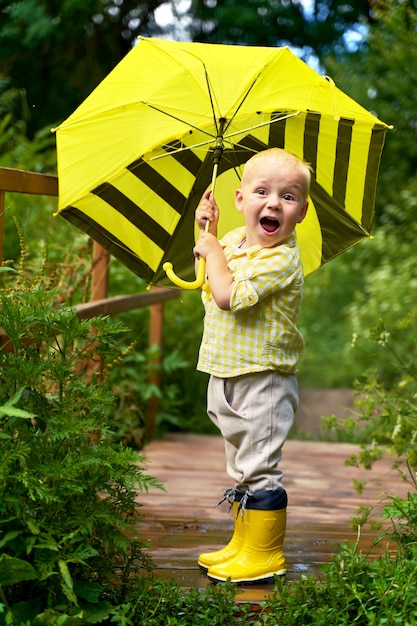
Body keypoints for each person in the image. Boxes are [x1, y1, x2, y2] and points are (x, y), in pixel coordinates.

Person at [193, 147, 310, 584]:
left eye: (288, 196)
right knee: (241, 464)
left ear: (301, 211)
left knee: (259, 464)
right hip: (225, 370)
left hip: (263, 379)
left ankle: (265, 554)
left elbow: (228, 296)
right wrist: (209, 232)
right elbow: (208, 279)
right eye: (261, 191)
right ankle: (243, 544)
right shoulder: (232, 244)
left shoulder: (281, 259)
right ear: (241, 199)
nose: (274, 203)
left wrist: (213, 253)